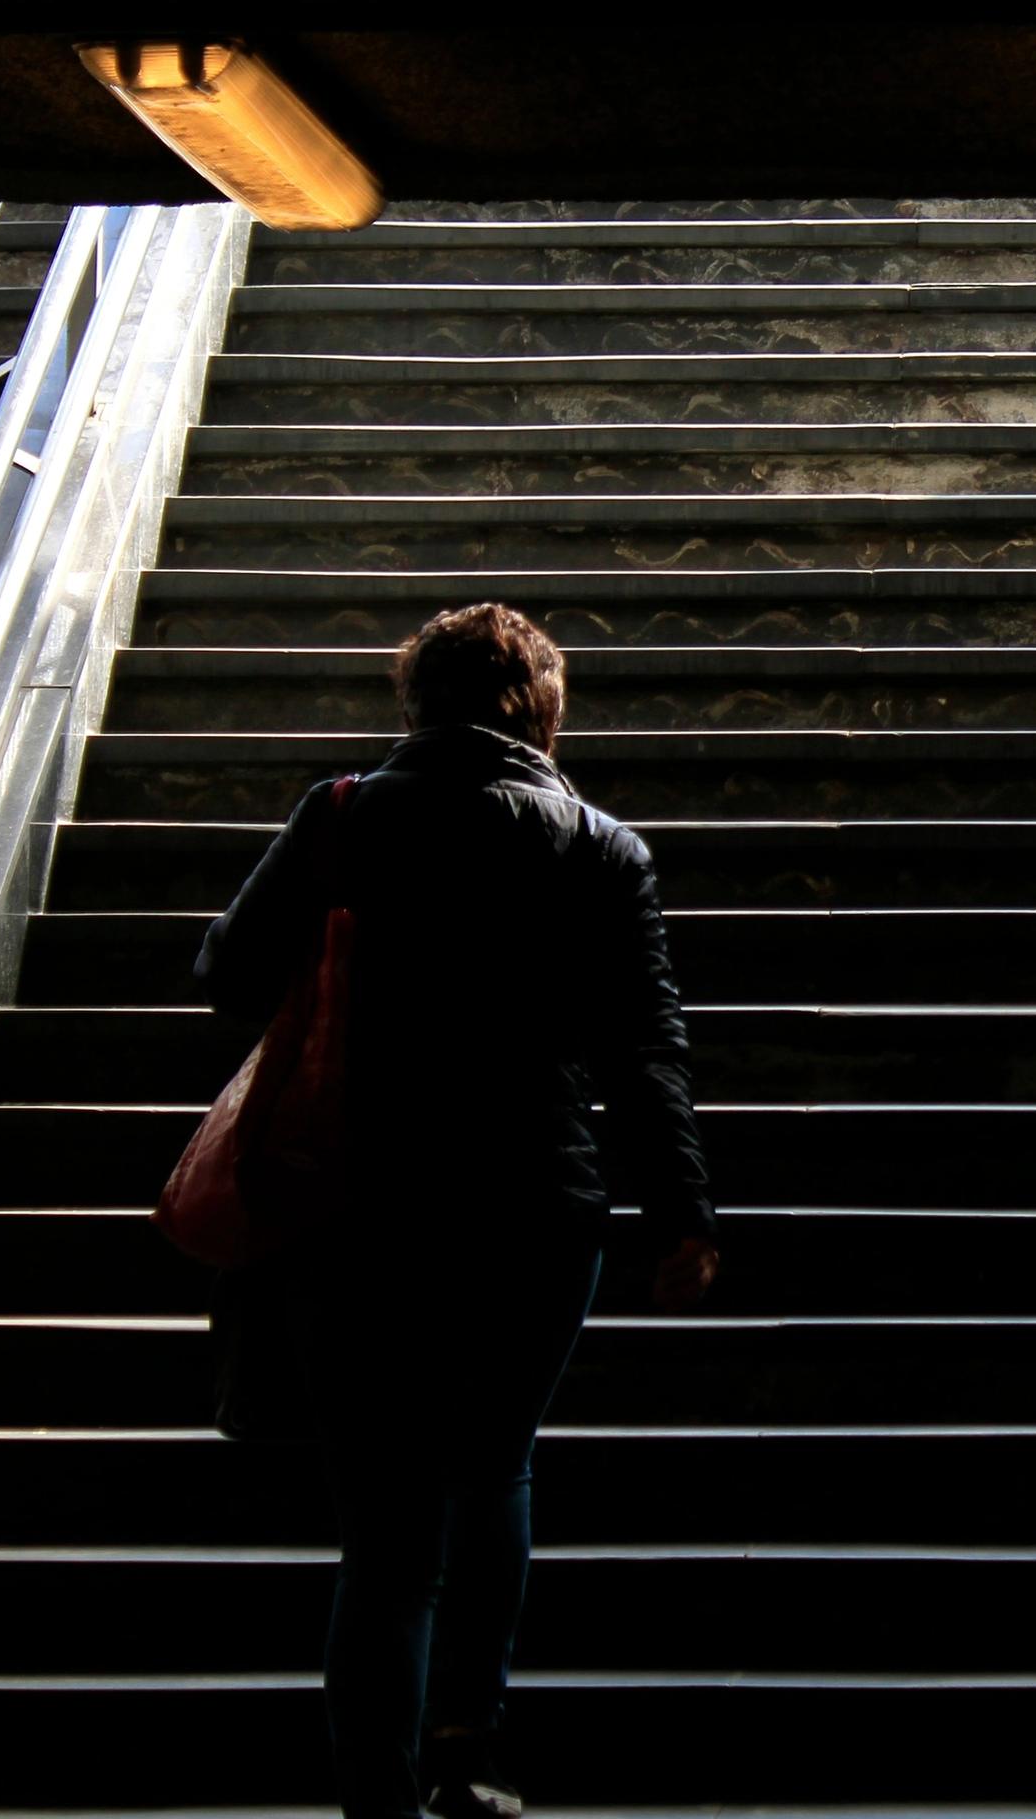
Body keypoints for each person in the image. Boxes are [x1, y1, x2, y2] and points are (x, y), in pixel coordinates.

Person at [194, 602, 719, 1819]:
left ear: (414, 701)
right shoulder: (601, 848)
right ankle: (469, 1745)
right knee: (492, 1468)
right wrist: (679, 1212)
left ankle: (374, 1795)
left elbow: (226, 973)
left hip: (356, 1204)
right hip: (536, 1207)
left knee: (385, 1528)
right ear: (544, 712)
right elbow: (644, 1051)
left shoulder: (340, 816)